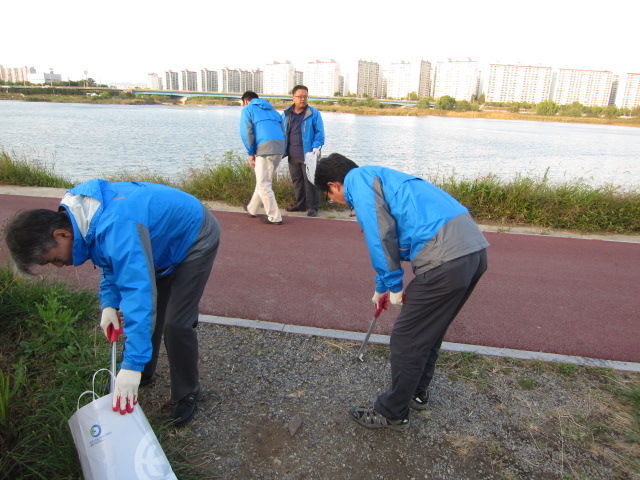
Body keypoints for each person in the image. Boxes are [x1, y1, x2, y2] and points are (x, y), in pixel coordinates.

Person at [4, 179, 221, 427]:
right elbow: (108, 257)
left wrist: (131, 365)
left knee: (175, 323)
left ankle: (187, 393)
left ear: (61, 234)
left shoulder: (116, 225)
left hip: (194, 236)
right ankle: (143, 374)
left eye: (52, 258)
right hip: (156, 240)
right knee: (153, 311)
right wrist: (109, 302)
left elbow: (137, 293)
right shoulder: (81, 216)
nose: (58, 265)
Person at [314, 153, 489, 431]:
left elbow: (381, 235)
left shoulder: (357, 182)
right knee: (429, 331)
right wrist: (382, 286)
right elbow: (396, 233)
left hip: (446, 259)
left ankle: (393, 412)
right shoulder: (379, 175)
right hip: (473, 251)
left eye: (329, 197)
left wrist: (394, 285)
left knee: (407, 338)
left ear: (334, 185)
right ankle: (417, 392)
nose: (337, 203)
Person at [240, 91, 286, 225]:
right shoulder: (273, 110)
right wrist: (283, 149)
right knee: (264, 181)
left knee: (263, 184)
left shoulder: (248, 109)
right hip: (279, 146)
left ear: (246, 101)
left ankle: (275, 217)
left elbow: (246, 132)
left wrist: (251, 152)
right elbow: (284, 129)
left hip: (265, 148)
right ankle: (252, 209)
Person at [282, 85, 325, 217]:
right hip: (292, 153)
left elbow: (320, 134)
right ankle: (300, 204)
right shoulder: (286, 113)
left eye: (305, 96)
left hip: (308, 154)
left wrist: (315, 147)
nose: (303, 99)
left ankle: (313, 207)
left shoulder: (313, 113)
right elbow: (281, 131)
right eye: (300, 96)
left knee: (310, 181)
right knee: (297, 180)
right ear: (293, 97)